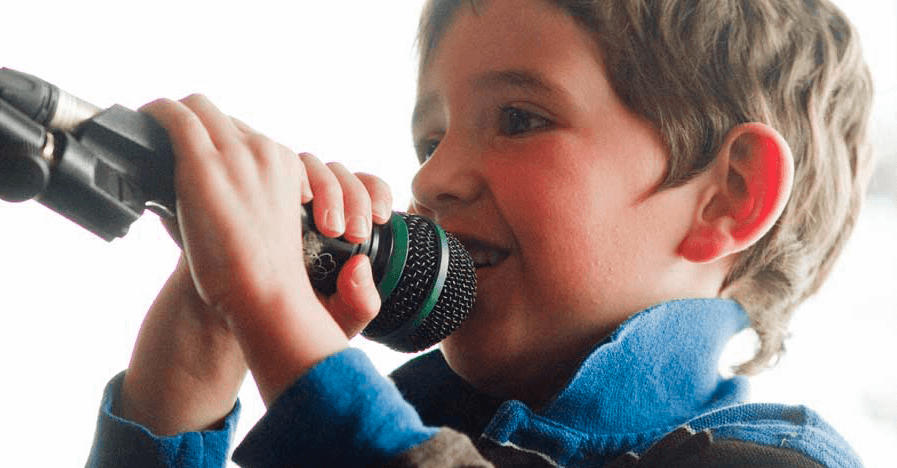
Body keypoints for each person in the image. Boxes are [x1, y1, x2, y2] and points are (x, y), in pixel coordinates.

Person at [87, 0, 875, 466]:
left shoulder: (777, 460)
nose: (432, 180)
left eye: (519, 119)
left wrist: (276, 316)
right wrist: (202, 338)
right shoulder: (404, 417)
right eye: (429, 141)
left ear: (728, 198)